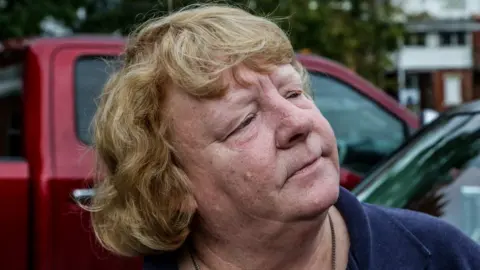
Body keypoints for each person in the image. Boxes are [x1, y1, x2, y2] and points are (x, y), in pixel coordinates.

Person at [86, 4, 480, 270]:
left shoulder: (437, 256)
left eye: (293, 92)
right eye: (244, 121)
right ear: (170, 187)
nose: (297, 122)